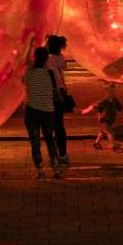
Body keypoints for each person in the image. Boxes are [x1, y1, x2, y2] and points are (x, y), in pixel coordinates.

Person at [21, 46, 61, 180]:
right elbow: (55, 93)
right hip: (48, 112)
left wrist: (31, 44)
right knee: (50, 140)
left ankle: (41, 173)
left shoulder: (28, 71)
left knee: (35, 143)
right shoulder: (50, 74)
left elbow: (24, 78)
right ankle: (56, 170)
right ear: (46, 59)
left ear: (35, 57)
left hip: (32, 112)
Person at [45, 35, 70, 167]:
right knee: (59, 125)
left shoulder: (48, 59)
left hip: (53, 93)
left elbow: (51, 77)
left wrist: (43, 44)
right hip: (61, 91)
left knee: (51, 126)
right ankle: (63, 155)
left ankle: (55, 156)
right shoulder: (60, 58)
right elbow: (63, 68)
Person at [82, 82, 123, 151]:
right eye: (111, 92)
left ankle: (96, 143)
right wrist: (87, 110)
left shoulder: (115, 100)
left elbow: (119, 107)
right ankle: (114, 146)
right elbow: (94, 105)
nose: (113, 93)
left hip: (110, 120)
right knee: (110, 132)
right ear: (106, 92)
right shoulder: (104, 101)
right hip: (104, 120)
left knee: (103, 132)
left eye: (114, 92)